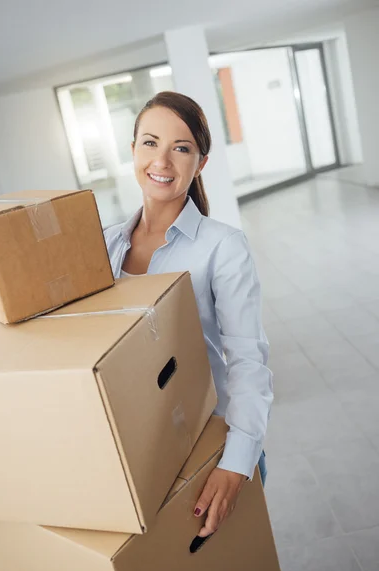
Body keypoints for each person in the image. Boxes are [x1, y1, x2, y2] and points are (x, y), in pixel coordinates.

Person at [104, 91, 273, 539]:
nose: (161, 160)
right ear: (133, 149)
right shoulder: (103, 246)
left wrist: (238, 463)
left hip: (207, 445)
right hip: (139, 450)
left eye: (180, 148)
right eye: (149, 143)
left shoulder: (222, 245)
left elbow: (248, 360)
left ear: (199, 163)